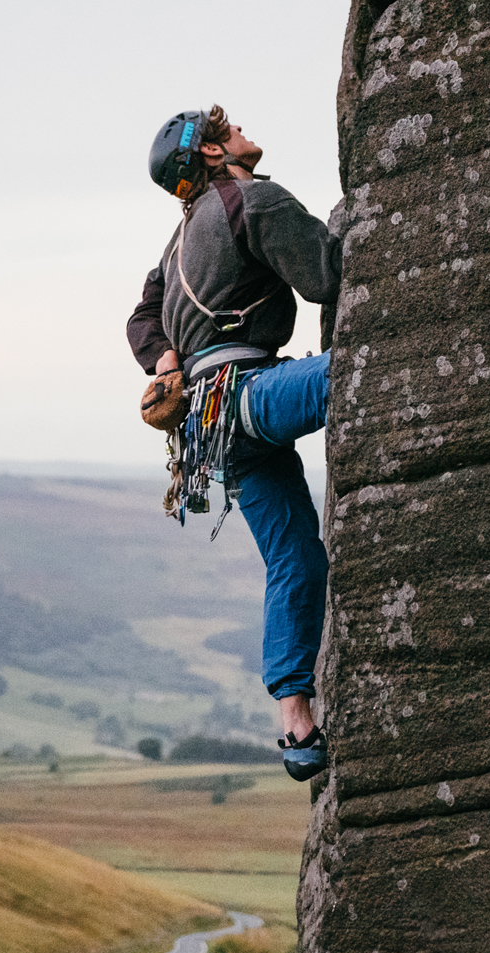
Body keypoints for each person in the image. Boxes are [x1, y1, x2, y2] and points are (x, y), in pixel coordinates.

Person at [126, 106, 340, 780]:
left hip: (211, 431)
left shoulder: (175, 243)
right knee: (358, 374)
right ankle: (296, 715)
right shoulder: (255, 200)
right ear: (215, 153)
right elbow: (325, 278)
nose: (246, 128)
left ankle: (297, 728)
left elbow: (138, 318)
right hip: (247, 398)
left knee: (296, 562)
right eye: (232, 126)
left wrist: (164, 360)